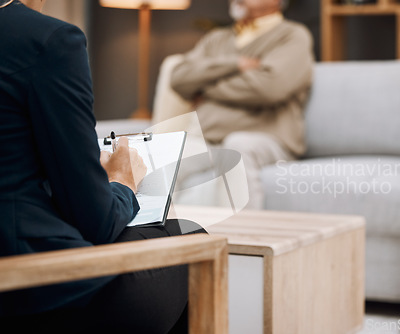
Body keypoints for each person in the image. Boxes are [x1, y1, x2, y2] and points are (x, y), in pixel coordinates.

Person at [0, 1, 201, 333]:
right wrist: (122, 180)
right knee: (190, 233)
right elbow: (97, 222)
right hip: (32, 285)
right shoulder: (48, 41)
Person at [156, 0, 314, 210]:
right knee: (160, 158)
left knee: (236, 146)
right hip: (209, 139)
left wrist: (204, 86)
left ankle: (245, 240)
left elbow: (269, 88)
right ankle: (153, 240)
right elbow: (179, 77)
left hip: (266, 138)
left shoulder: (292, 36)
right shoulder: (216, 39)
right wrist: (234, 64)